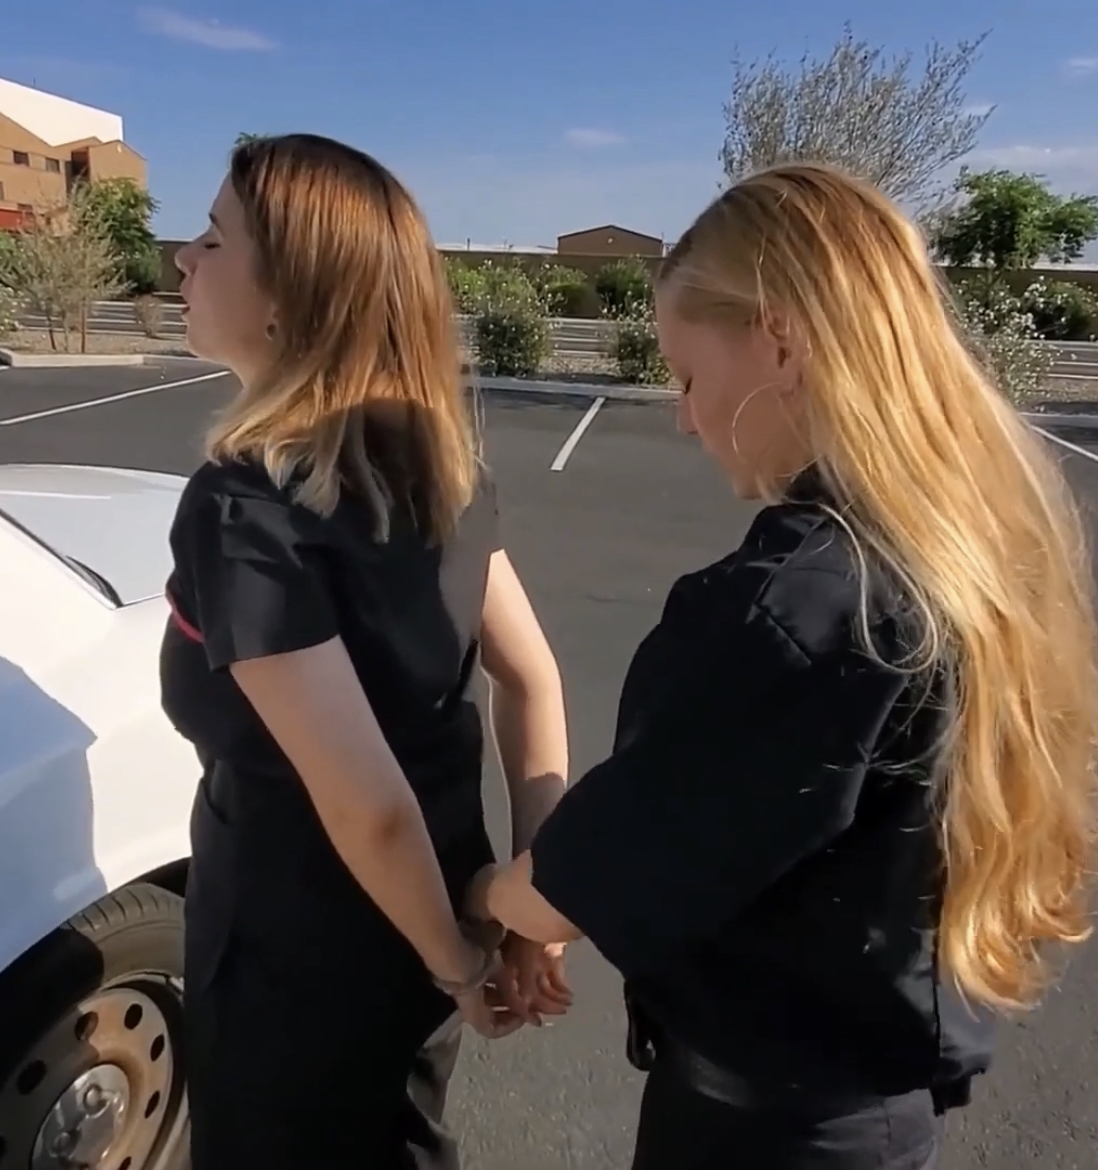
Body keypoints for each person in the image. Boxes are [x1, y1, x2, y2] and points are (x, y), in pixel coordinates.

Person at [464, 162, 1098, 1170]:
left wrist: (487, 901)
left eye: (683, 373)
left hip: (763, 1134)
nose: (682, 415)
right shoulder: (959, 548)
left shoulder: (799, 602)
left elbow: (581, 878)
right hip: (874, 1112)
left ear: (781, 340)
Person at [160, 133, 570, 1169]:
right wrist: (534, 899)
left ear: (287, 300)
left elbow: (365, 804)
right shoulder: (436, 465)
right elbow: (531, 678)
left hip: (296, 963)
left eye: (212, 237)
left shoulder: (245, 504)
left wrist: (461, 967)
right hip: (428, 924)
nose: (182, 258)